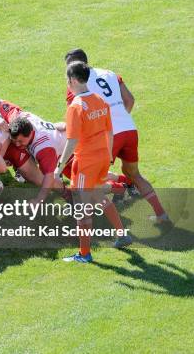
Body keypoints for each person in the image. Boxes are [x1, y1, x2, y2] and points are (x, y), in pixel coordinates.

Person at [64, 49, 168, 223]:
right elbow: (130, 100)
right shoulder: (110, 73)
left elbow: (76, 122)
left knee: (92, 178)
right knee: (134, 173)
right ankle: (161, 214)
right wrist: (121, 120)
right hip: (129, 129)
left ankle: (92, 225)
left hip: (107, 135)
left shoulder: (77, 85)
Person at [54, 61, 130, 263]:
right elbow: (109, 131)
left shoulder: (76, 107)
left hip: (86, 162)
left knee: (82, 209)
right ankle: (122, 234)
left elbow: (72, 141)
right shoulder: (99, 99)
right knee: (99, 195)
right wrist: (108, 156)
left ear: (72, 80)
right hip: (102, 158)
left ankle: (84, 254)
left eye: (66, 79)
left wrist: (60, 167)